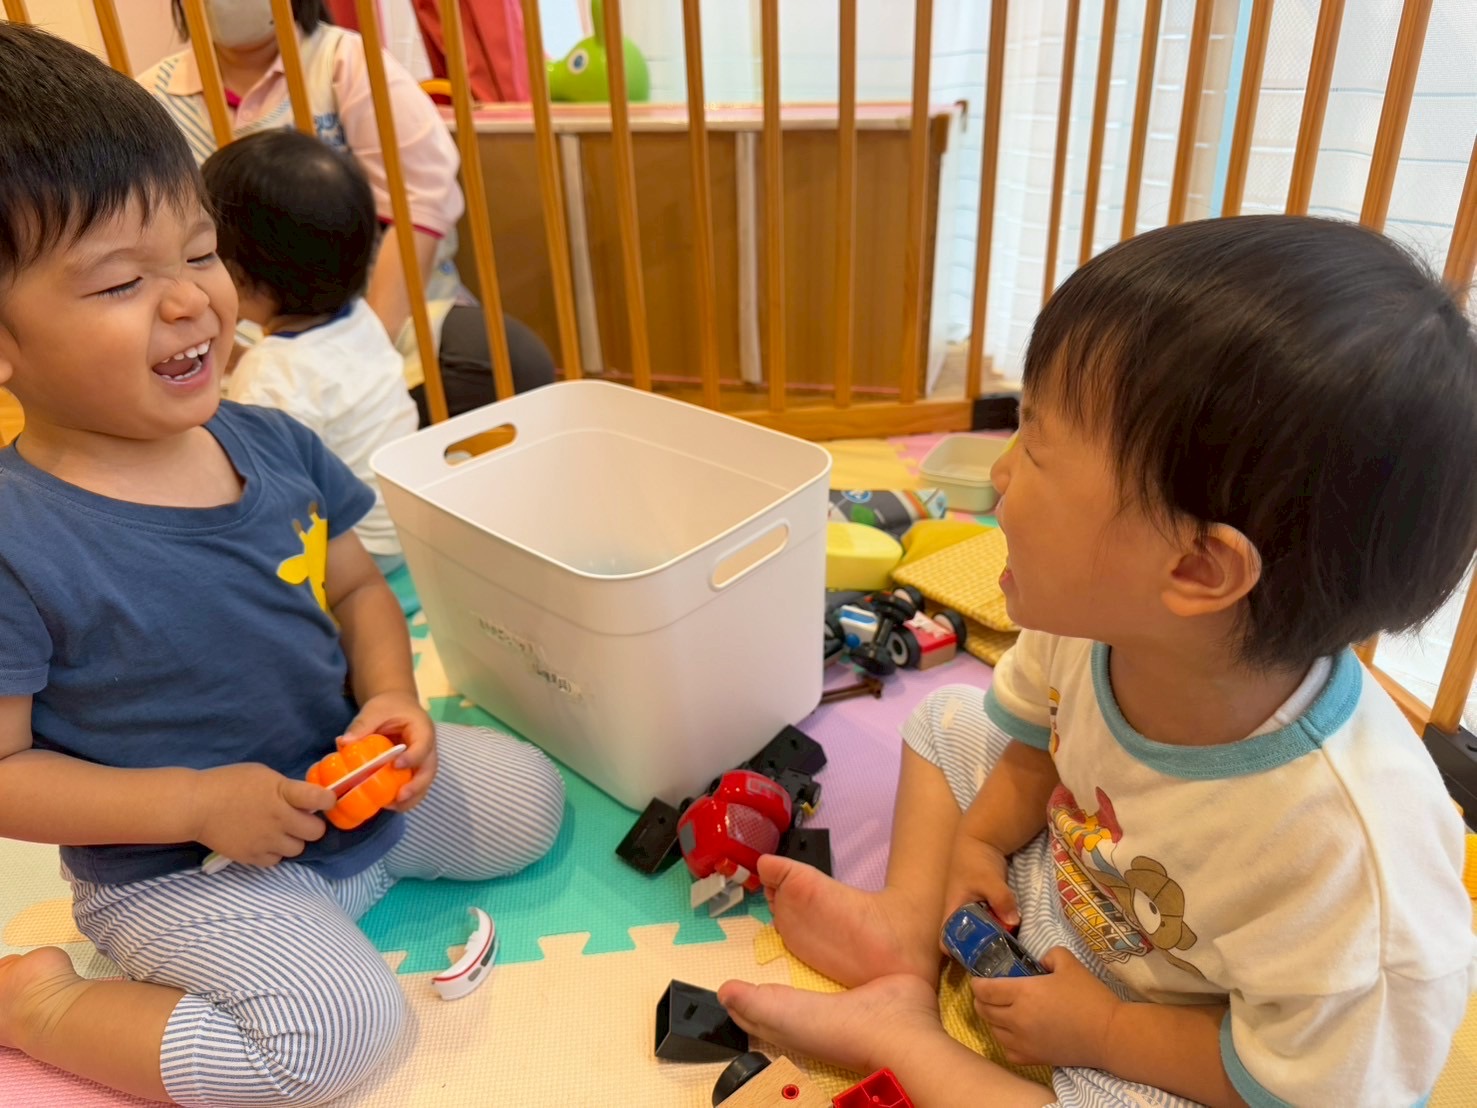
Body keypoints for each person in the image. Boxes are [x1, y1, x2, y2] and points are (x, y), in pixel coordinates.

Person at [718, 216, 1477, 1107]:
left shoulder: (1343, 862)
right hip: (1077, 888)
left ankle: (903, 1039)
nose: (1000, 475)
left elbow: (1312, 1084)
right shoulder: (1097, 624)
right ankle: (906, 935)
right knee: (946, 722)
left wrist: (1106, 1032)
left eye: (1035, 448)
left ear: (1195, 569)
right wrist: (978, 842)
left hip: (1193, 1028)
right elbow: (1036, 744)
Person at [0, 24, 564, 1106]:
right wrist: (197, 804)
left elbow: (354, 587)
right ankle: (39, 1005)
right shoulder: (20, 540)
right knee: (339, 1041)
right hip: (180, 868)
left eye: (199, 252)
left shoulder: (268, 439)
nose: (191, 302)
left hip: (338, 790)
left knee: (529, 802)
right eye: (120, 283)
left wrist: (391, 698)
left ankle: (331, 906)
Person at [140, 0, 556, 421]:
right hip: (233, 332)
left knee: (511, 362)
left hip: (373, 312)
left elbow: (421, 202)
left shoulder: (347, 62)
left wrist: (368, 344)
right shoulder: (152, 96)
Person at [205, 128, 417, 573]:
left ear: (239, 277)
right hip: (405, 526)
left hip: (351, 551)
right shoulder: (359, 320)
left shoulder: (270, 373)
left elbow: (261, 490)